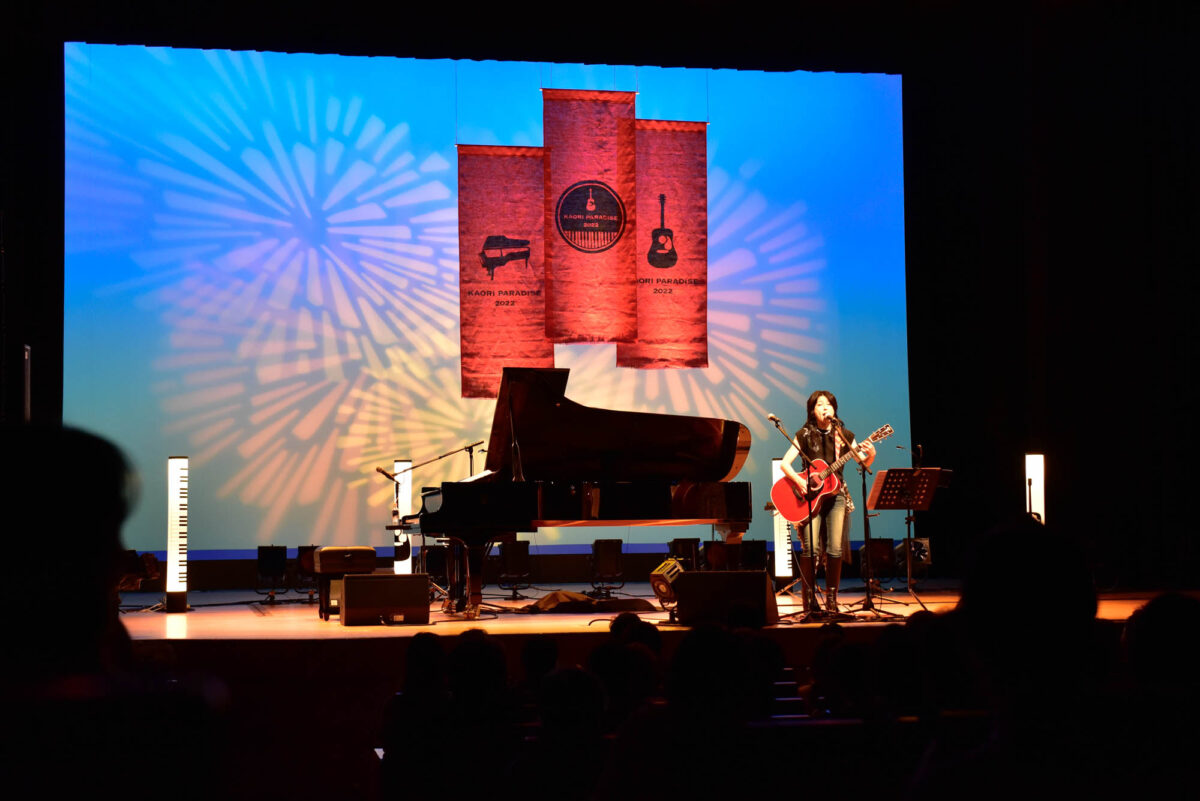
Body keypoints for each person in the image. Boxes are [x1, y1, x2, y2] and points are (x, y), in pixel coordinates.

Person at [780, 391, 875, 614]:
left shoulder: (845, 435)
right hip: (811, 497)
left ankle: (831, 600)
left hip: (837, 496)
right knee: (811, 548)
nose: (825, 408)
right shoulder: (803, 434)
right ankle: (809, 601)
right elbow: (785, 464)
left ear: (834, 410)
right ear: (812, 411)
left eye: (829, 404)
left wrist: (871, 454)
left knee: (835, 548)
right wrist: (798, 481)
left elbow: (863, 464)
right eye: (820, 404)